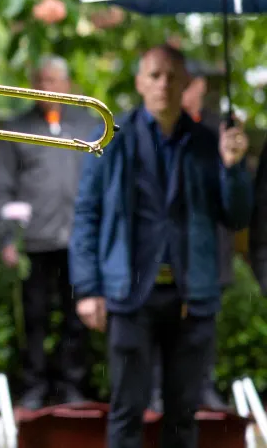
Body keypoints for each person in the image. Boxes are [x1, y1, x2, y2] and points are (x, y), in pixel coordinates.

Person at [70, 44, 251, 448]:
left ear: (187, 83)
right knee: (126, 410)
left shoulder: (210, 144)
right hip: (129, 292)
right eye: (154, 75)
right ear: (139, 82)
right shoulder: (112, 139)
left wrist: (234, 169)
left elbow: (237, 216)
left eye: (172, 76)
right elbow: (87, 213)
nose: (163, 84)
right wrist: (87, 287)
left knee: (184, 413)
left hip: (192, 294)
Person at [0, 55, 96, 410]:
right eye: (41, 81)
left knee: (76, 317)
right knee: (34, 317)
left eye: (54, 80)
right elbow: (2, 188)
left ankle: (72, 386)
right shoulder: (16, 127)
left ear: (67, 85)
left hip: (79, 241)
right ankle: (34, 387)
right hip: (33, 242)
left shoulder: (88, 124)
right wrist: (7, 238)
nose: (48, 88)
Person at [147, 66, 233, 412]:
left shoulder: (220, 130)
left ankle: (204, 387)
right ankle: (157, 390)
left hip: (206, 249)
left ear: (199, 86)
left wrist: (233, 163)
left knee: (202, 327)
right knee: (159, 323)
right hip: (166, 252)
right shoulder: (159, 129)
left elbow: (235, 199)